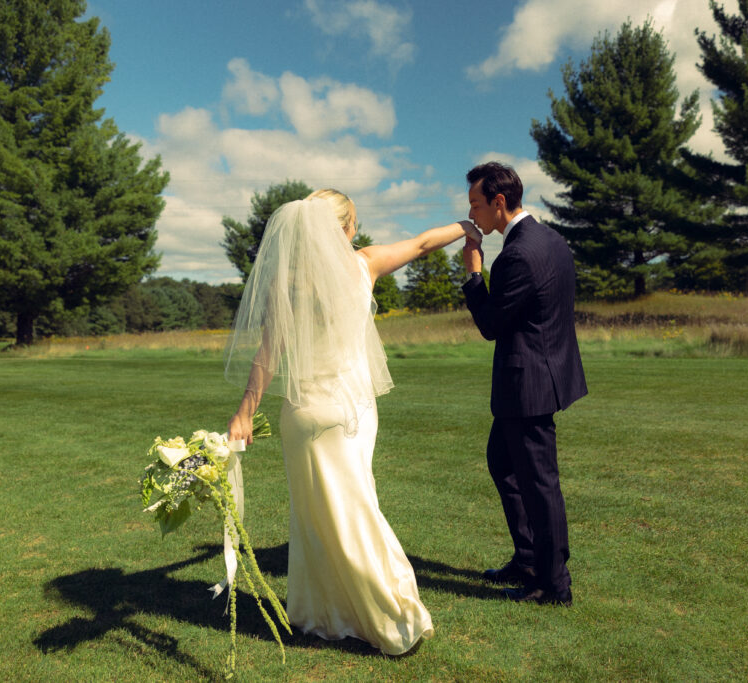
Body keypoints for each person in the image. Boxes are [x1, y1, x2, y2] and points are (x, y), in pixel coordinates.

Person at [225, 189, 480, 654]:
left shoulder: (292, 283)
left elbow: (268, 354)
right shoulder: (365, 264)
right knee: (356, 510)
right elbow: (424, 244)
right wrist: (468, 228)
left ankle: (317, 612)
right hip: (348, 411)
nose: (356, 230)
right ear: (342, 229)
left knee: (316, 518)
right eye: (353, 222)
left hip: (301, 414)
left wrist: (245, 411)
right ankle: (390, 617)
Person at [460, 162, 587, 606]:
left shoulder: (516, 254)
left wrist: (474, 274)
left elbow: (492, 324)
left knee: (539, 484)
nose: (473, 214)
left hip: (529, 386)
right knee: (502, 462)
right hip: (544, 375)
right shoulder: (550, 238)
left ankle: (554, 587)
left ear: (499, 203)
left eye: (476, 204)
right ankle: (529, 557)